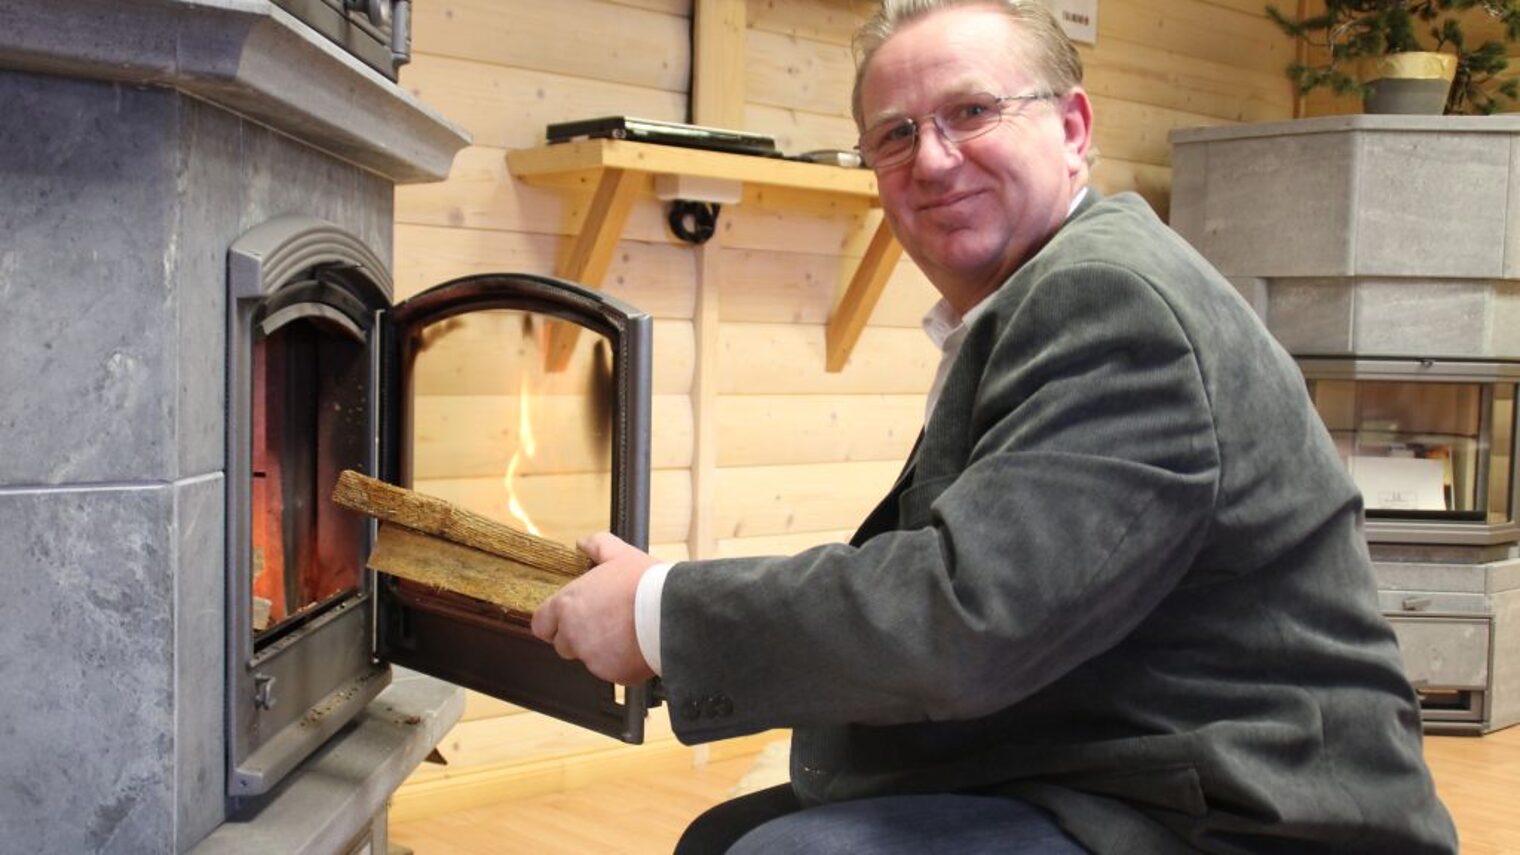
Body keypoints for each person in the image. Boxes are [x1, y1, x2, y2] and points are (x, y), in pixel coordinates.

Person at [531, 1, 1459, 851]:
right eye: (895, 136)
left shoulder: (1112, 300)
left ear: (1074, 129)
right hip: (1126, 758)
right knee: (722, 837)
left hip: (1260, 810)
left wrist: (663, 613)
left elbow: (966, 613)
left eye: (972, 113)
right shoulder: (1042, 297)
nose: (931, 159)